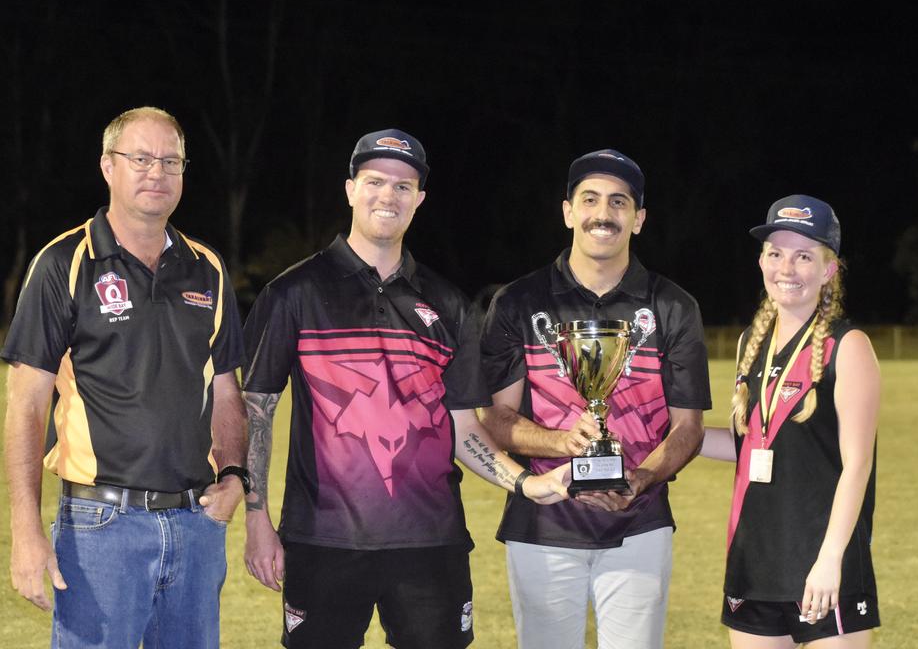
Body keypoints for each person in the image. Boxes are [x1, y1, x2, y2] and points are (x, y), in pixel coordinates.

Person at [241, 128, 569, 649]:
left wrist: (524, 483)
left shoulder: (449, 303)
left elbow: (463, 428)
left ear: (419, 199)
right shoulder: (293, 293)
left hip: (430, 543)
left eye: (402, 185)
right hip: (322, 541)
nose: (387, 196)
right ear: (350, 189)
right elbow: (255, 410)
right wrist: (256, 519)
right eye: (375, 181)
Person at [1, 106, 248, 649]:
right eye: (139, 158)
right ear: (108, 166)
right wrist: (25, 531)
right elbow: (24, 407)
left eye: (170, 161)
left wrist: (234, 474)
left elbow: (227, 390)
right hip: (100, 528)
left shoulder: (207, 268)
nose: (156, 172)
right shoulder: (64, 262)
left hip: (195, 524)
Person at [478, 149, 711, 649]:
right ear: (568, 211)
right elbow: (496, 419)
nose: (603, 213)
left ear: (639, 218)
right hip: (542, 525)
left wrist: (643, 478)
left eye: (618, 202)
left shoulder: (673, 306)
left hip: (640, 526)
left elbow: (688, 427)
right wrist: (565, 442)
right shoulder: (519, 302)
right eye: (589, 199)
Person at [700, 195, 881, 648]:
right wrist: (665, 429)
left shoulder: (849, 346)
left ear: (828, 270)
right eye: (776, 253)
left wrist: (830, 559)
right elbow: (750, 448)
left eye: (804, 256)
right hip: (754, 558)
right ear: (762, 261)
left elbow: (857, 464)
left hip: (822, 562)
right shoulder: (750, 342)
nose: (787, 268)